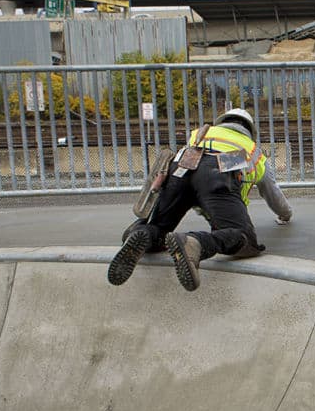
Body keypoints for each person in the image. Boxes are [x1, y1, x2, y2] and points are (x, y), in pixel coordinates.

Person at [107, 108, 293, 291]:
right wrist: (285, 214)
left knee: (161, 227)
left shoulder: (200, 134)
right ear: (250, 131)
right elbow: (271, 191)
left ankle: (143, 234)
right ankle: (195, 244)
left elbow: (196, 175)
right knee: (244, 239)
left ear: (223, 122)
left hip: (179, 170)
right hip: (217, 173)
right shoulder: (251, 150)